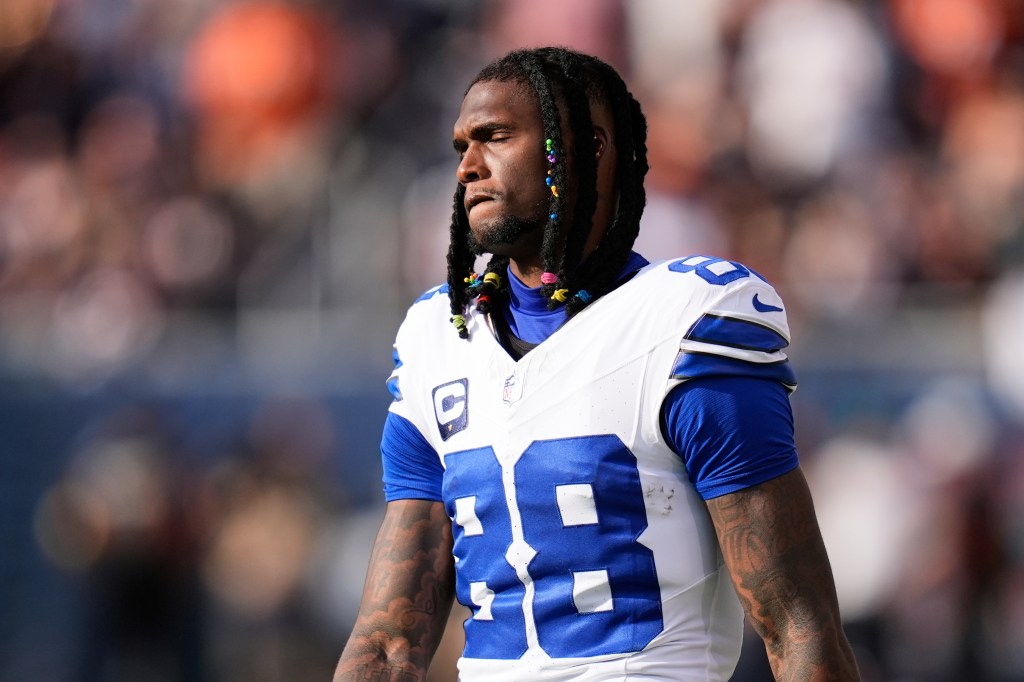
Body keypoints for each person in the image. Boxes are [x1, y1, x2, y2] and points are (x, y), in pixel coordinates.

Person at [334, 46, 860, 682]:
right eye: (461, 146)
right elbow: (390, 640)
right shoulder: (435, 339)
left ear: (586, 151)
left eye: (495, 136)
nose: (469, 166)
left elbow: (797, 625)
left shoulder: (684, 324)